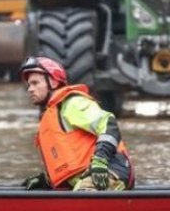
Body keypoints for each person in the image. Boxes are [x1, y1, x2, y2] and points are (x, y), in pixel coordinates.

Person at [19, 56, 134, 191]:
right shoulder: (51, 115)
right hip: (85, 176)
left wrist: (100, 160)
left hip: (110, 169)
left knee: (82, 198)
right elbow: (71, 158)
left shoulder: (73, 103)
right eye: (29, 85)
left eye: (35, 83)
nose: (30, 89)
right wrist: (48, 179)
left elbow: (108, 123)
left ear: (53, 82)